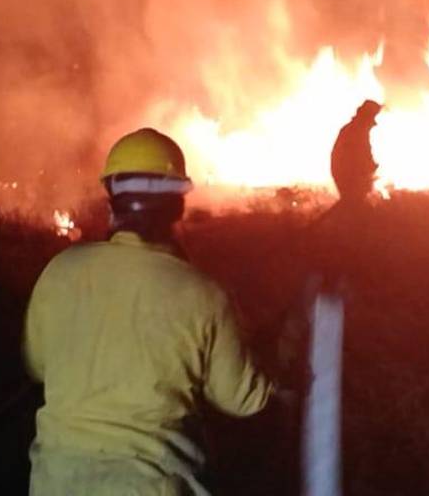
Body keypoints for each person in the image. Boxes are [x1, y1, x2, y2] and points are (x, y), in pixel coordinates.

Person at [23, 128, 275, 495]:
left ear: (112, 201)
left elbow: (37, 365)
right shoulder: (203, 293)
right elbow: (244, 400)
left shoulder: (61, 270)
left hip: (57, 485)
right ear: (179, 206)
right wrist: (281, 359)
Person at [329, 99, 382, 204]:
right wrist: (369, 169)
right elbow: (358, 158)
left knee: (354, 206)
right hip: (349, 178)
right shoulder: (357, 132)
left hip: (349, 177)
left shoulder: (355, 129)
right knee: (356, 207)